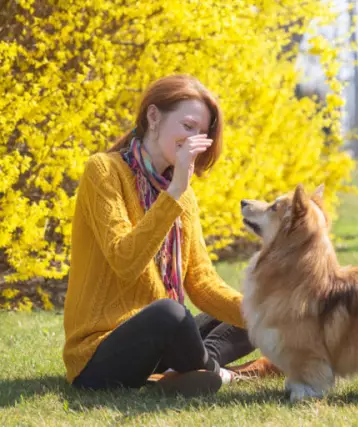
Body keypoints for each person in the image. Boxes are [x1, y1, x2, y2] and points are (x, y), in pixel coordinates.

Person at [63, 74, 269, 397]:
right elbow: (124, 260)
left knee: (258, 313)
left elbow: (202, 283)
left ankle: (183, 371)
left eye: (202, 133)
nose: (195, 140)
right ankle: (218, 374)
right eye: (188, 127)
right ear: (154, 116)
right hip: (100, 353)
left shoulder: (182, 195)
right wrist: (172, 194)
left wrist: (268, 313)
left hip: (158, 344)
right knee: (170, 313)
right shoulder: (103, 172)